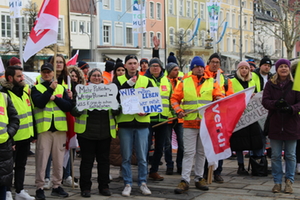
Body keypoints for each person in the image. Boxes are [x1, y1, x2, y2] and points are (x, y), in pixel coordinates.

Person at [171, 56, 223, 194]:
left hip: (205, 123)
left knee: (201, 152)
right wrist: (179, 111)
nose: (199, 68)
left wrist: (218, 98)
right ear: (192, 68)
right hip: (189, 122)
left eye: (201, 66)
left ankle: (199, 178)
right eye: (196, 66)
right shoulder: (184, 82)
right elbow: (175, 99)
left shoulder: (211, 82)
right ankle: (185, 180)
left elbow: (219, 97)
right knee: (188, 153)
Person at [72, 68, 116, 197]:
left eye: (99, 76)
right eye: (94, 75)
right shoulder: (82, 91)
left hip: (105, 132)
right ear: (89, 78)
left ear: (102, 78)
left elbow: (116, 108)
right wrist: (80, 108)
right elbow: (73, 110)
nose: (97, 78)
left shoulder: (109, 91)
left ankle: (104, 186)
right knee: (87, 161)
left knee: (104, 161)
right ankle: (85, 188)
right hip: (86, 133)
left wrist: (116, 108)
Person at [31, 63, 72, 200]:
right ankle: (40, 187)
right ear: (41, 73)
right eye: (44, 72)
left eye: (49, 72)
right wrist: (49, 91)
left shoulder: (62, 88)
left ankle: (56, 185)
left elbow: (68, 107)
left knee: (59, 160)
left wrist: (55, 98)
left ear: (53, 73)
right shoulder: (36, 88)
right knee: (42, 160)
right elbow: (40, 103)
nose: (46, 74)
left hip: (59, 129)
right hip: (44, 129)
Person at [113, 54, 153, 197]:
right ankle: (127, 183)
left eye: (134, 63)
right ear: (125, 66)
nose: (132, 65)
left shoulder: (146, 80)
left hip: (142, 123)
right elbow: (115, 98)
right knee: (126, 157)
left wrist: (146, 111)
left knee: (142, 157)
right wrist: (128, 84)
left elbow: (153, 100)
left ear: (138, 65)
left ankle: (143, 182)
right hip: (125, 123)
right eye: (129, 63)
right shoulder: (118, 80)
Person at [262, 58, 300, 193]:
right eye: (281, 66)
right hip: (276, 124)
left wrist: (291, 109)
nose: (283, 68)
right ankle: (277, 182)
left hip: (291, 124)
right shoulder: (270, 84)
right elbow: (265, 101)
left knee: (290, 155)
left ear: (289, 69)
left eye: (286, 66)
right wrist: (275, 104)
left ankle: (289, 181)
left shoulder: (295, 84)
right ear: (277, 69)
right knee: (275, 155)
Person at [0, 66, 35, 200]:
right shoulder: (5, 94)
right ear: (10, 78)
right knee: (7, 169)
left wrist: (33, 134)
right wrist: (10, 137)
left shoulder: (25, 92)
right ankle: (7, 191)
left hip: (25, 136)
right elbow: (6, 118)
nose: (22, 78)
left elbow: (29, 113)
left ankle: (20, 190)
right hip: (11, 138)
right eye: (19, 76)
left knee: (21, 165)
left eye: (22, 75)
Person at [203, 53, 234, 183]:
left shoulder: (225, 80)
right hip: (205, 116)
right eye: (213, 62)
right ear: (209, 63)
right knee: (206, 144)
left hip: (220, 116)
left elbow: (230, 97)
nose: (215, 64)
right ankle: (205, 172)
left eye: (217, 62)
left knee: (220, 143)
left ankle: (218, 172)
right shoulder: (202, 77)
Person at [229, 61, 264, 175]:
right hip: (238, 115)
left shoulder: (252, 81)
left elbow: (258, 94)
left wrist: (254, 95)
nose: (244, 70)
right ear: (238, 70)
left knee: (254, 138)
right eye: (242, 68)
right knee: (239, 141)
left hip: (250, 115)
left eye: (246, 68)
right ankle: (240, 165)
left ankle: (254, 163)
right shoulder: (232, 81)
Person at [144, 58, 172, 181]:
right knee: (145, 147)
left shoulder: (167, 81)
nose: (155, 68)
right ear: (149, 68)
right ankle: (143, 170)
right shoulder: (144, 80)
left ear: (161, 68)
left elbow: (170, 100)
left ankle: (154, 170)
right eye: (153, 66)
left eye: (157, 66)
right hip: (147, 119)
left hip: (163, 119)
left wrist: (174, 114)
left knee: (160, 147)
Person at [164, 62, 184, 175]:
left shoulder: (181, 82)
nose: (177, 71)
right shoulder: (165, 81)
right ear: (169, 71)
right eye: (175, 70)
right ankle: (169, 165)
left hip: (180, 116)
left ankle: (180, 165)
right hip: (168, 116)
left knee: (182, 143)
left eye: (178, 69)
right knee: (167, 143)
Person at [0, 92, 19, 200]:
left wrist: (8, 134)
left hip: (3, 146)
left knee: (2, 180)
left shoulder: (4, 97)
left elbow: (15, 119)